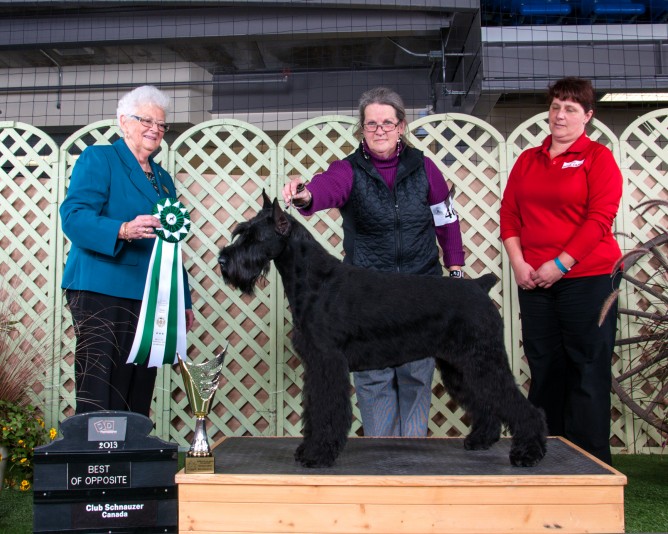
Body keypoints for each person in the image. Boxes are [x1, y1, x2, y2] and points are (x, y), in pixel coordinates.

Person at [282, 86, 465, 437]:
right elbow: (324, 189)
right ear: (362, 130)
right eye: (371, 124)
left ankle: (410, 457)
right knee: (373, 377)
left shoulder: (426, 168)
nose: (379, 130)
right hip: (366, 294)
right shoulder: (347, 170)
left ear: (401, 127)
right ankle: (379, 455)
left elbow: (446, 219)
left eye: (387, 123)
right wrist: (305, 195)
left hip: (419, 289)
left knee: (415, 374)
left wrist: (455, 267)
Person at [500, 77, 623, 465]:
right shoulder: (527, 160)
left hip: (589, 279)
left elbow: (599, 218)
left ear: (588, 116)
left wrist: (560, 263)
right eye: (555, 106)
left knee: (586, 367)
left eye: (570, 108)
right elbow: (509, 215)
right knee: (545, 366)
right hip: (534, 281)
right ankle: (544, 456)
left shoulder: (597, 158)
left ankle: (591, 463)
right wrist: (519, 264)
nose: (560, 115)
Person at [60, 85, 195, 417]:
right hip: (100, 287)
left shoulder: (162, 179)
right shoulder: (100, 158)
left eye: (162, 125)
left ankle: (132, 456)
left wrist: (183, 300)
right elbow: (74, 217)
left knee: (140, 381)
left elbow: (170, 243)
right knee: (100, 380)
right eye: (146, 120)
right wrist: (121, 229)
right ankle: (96, 458)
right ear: (123, 121)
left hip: (150, 297)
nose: (155, 130)